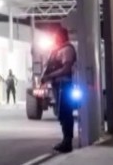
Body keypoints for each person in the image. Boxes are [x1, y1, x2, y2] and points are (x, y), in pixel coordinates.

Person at [41, 26, 77, 154]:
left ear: (61, 36)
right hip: (58, 85)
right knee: (62, 114)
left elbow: (66, 69)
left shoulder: (67, 49)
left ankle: (67, 142)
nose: (54, 39)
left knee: (65, 113)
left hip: (64, 85)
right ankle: (65, 141)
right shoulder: (59, 49)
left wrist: (50, 76)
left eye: (56, 37)